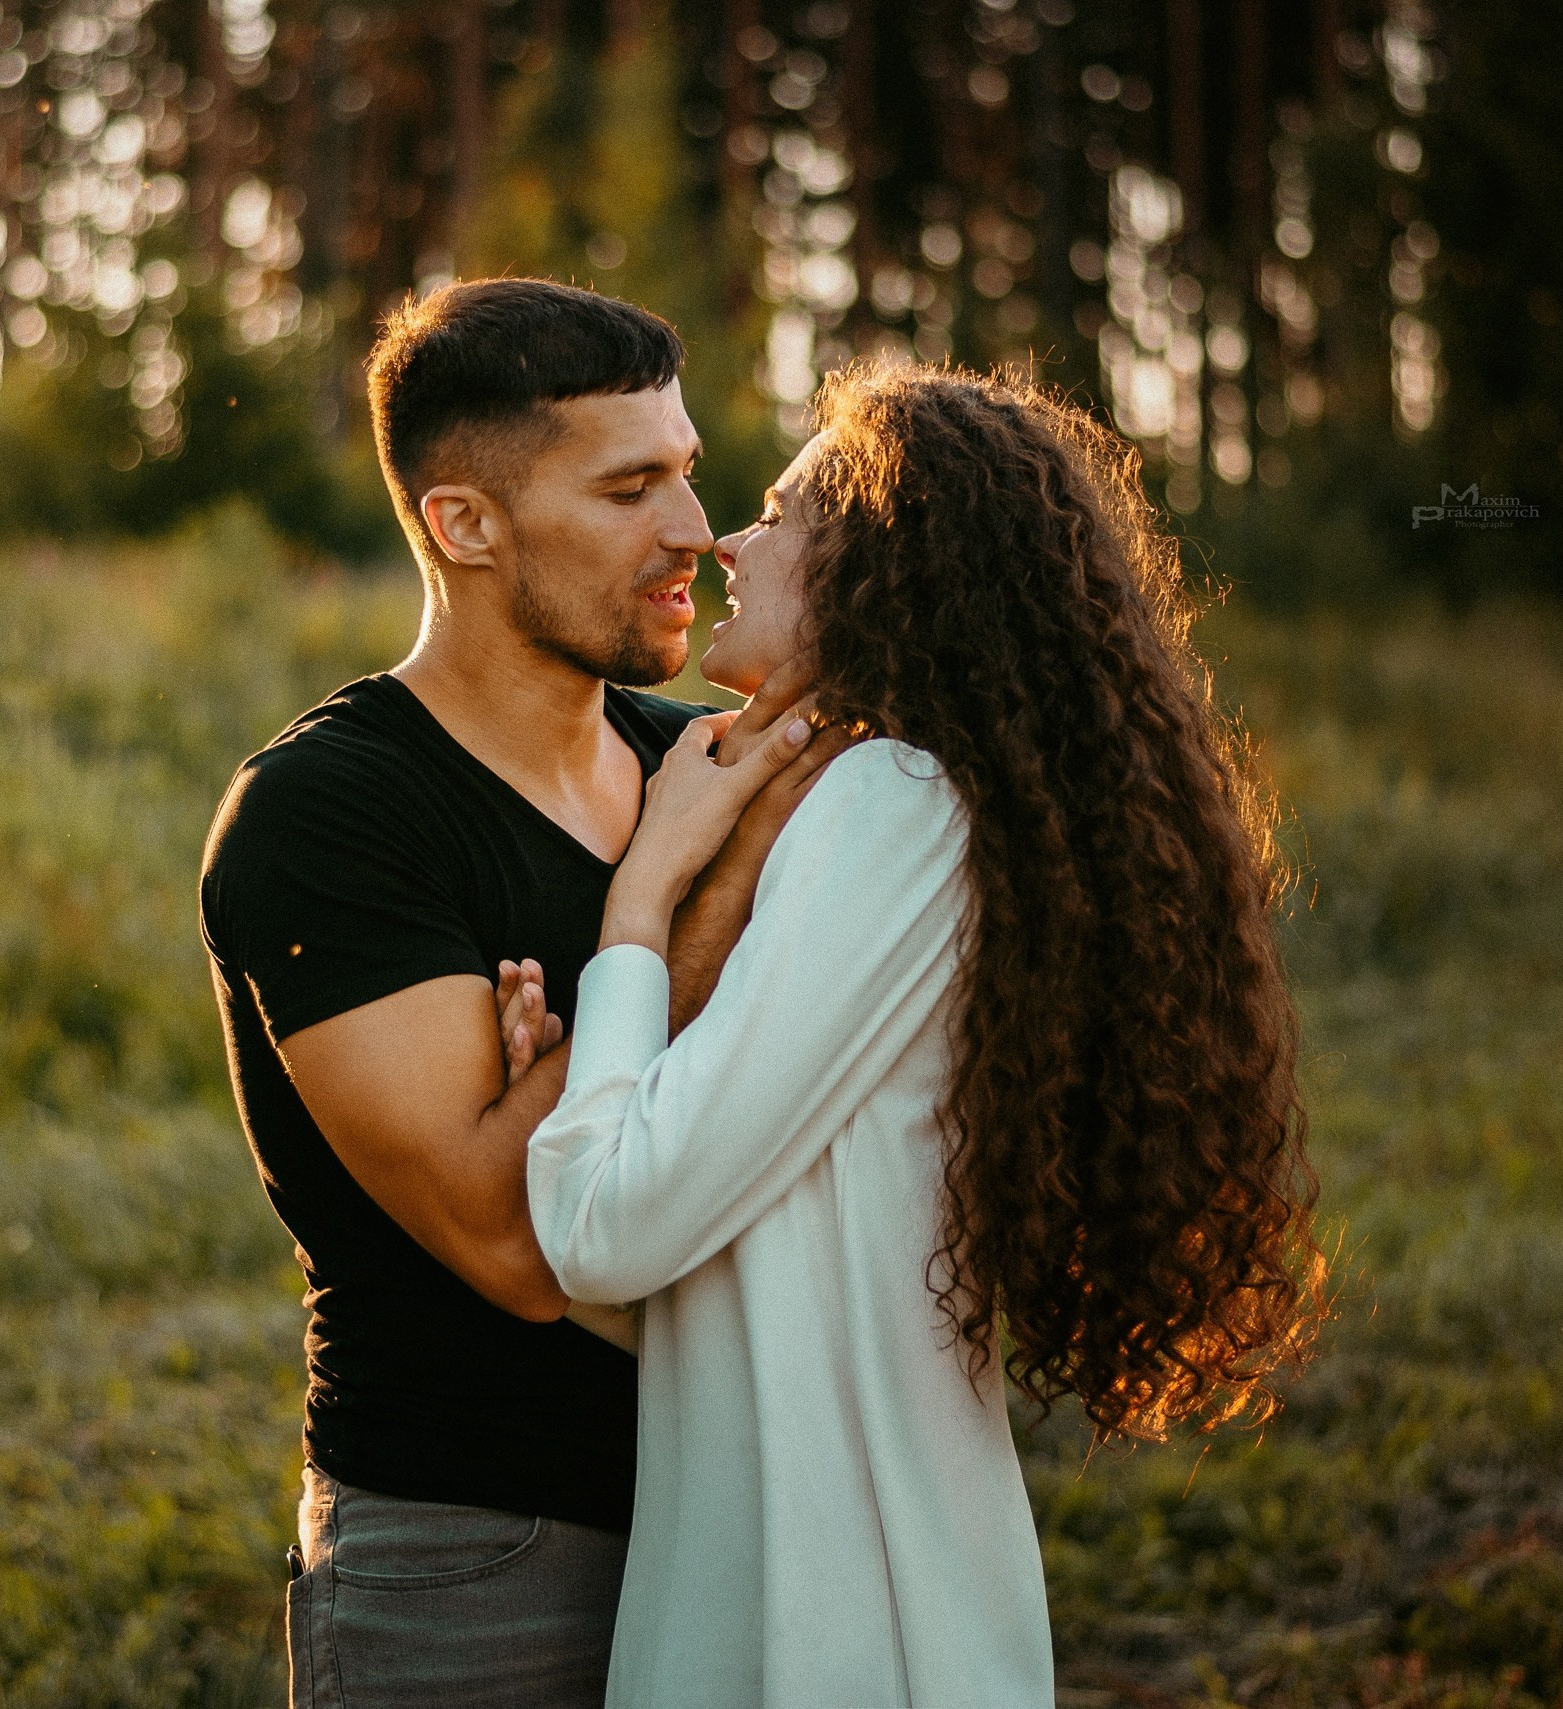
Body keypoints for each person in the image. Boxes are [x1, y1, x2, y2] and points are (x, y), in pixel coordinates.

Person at [521, 361, 1327, 1706]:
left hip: (831, 1615)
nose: (730, 537)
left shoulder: (890, 803)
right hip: (858, 1585)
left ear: (878, 566)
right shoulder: (898, 801)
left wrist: (641, 899)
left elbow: (605, 1227)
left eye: (778, 514)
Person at [196, 279, 849, 1708]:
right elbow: (517, 1238)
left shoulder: (700, 756)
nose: (694, 529)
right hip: (475, 1557)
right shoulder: (332, 813)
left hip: (745, 1519)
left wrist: (572, 1047)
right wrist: (669, 908)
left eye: (685, 472)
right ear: (466, 524)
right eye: (629, 488)